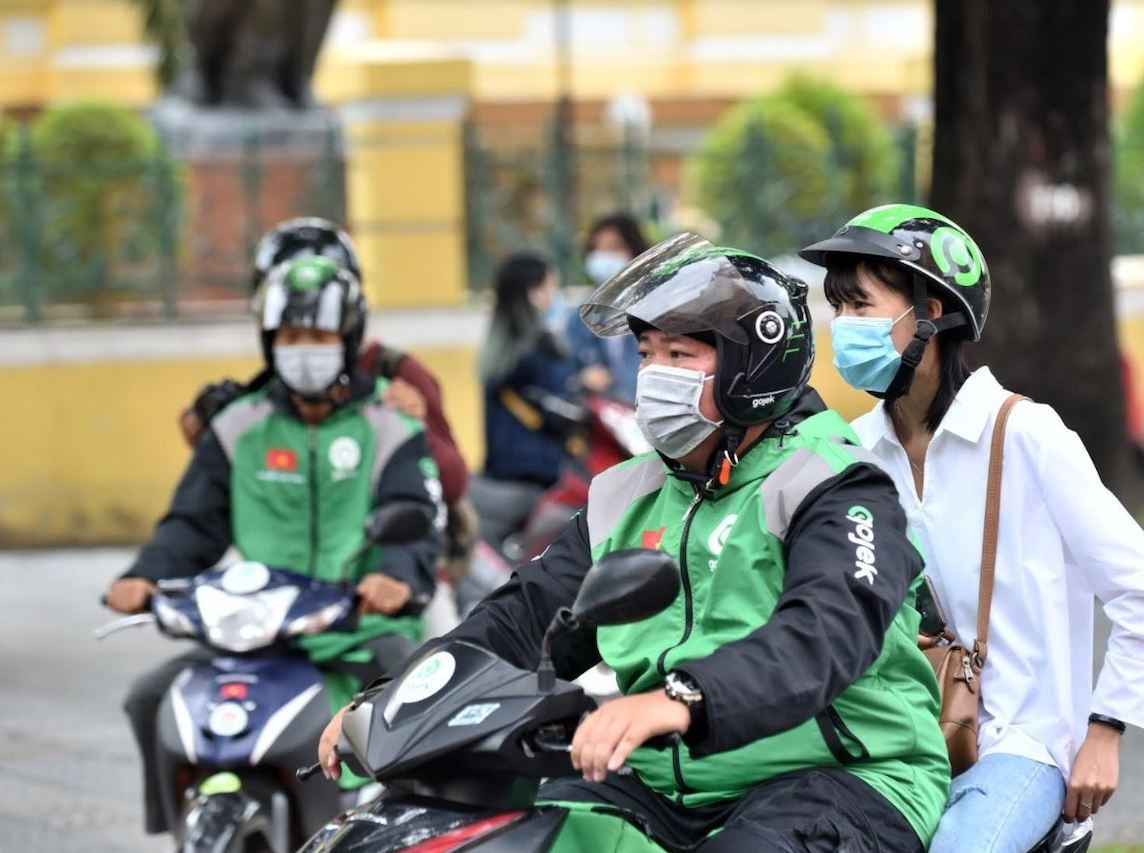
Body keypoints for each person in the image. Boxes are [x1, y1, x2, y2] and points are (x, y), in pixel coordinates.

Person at [320, 234, 952, 852]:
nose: (654, 377)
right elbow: (523, 616)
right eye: (647, 355)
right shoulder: (627, 492)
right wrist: (402, 696)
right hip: (668, 782)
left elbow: (823, 636)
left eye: (680, 356)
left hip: (846, 778)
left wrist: (682, 699)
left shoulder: (835, 483)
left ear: (751, 367)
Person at [799, 204, 1144, 853]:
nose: (843, 328)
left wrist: (1104, 731)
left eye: (862, 308)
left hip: (1024, 744)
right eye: (837, 309)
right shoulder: (853, 453)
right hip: (899, 745)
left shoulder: (1026, 435)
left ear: (932, 313)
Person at [106, 256, 443, 834]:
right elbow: (193, 521)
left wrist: (395, 576)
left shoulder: (391, 422)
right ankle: (178, 828)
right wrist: (145, 574)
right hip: (254, 631)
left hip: (356, 629)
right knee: (148, 697)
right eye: (290, 336)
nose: (303, 348)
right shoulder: (239, 425)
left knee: (417, 704)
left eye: (317, 335)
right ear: (269, 342)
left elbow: (416, 516)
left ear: (348, 339)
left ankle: (414, 829)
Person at [177, 217, 474, 577]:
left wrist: (415, 428)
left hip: (400, 566)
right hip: (300, 575)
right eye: (290, 328)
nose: (304, 333)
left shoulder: (396, 373)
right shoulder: (271, 389)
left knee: (441, 631)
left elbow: (453, 484)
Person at [475, 250, 609, 547]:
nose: (554, 296)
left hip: (502, 469)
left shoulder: (500, 349)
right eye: (550, 287)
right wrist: (582, 385)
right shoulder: (536, 350)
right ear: (532, 293)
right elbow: (559, 406)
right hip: (536, 474)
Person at [566, 212, 652, 403]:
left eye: (614, 248)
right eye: (597, 249)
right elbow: (566, 373)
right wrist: (583, 378)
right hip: (605, 422)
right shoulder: (580, 315)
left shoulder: (656, 308)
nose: (604, 257)